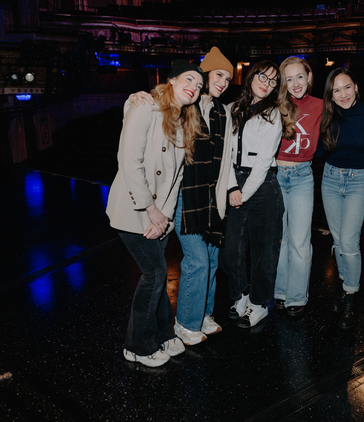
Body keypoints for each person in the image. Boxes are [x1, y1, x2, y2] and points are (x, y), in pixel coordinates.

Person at [129, 47, 235, 346]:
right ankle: (185, 323)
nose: (223, 82)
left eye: (228, 77)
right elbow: (154, 105)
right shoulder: (188, 104)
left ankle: (202, 314)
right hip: (186, 198)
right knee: (198, 261)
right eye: (217, 75)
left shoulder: (223, 112)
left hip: (212, 199)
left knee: (212, 261)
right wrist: (133, 97)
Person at [106, 60, 204, 367]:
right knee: (155, 273)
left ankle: (163, 334)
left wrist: (165, 218)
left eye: (199, 86)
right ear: (171, 80)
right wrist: (151, 211)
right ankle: (137, 345)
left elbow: (175, 180)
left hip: (159, 214)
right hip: (135, 209)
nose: (195, 87)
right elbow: (129, 161)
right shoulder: (145, 107)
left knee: (159, 271)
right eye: (190, 79)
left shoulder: (182, 119)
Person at [222, 61, 287, 329]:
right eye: (263, 76)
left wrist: (243, 192)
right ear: (251, 76)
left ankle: (259, 304)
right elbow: (224, 153)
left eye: (273, 81)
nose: (266, 83)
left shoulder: (273, 114)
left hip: (262, 185)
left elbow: (263, 161)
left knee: (264, 251)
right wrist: (230, 187)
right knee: (231, 251)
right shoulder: (231, 108)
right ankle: (240, 296)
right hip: (234, 182)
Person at [318, 67, 364, 330]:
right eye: (336, 90)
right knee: (339, 240)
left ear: (356, 87)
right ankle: (344, 285)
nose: (342, 94)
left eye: (347, 87)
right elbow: (316, 149)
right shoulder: (327, 115)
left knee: (349, 242)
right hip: (329, 179)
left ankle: (351, 294)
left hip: (359, 181)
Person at [274, 56, 323, 317]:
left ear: (309, 77)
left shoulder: (321, 106)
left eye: (300, 77)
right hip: (275, 175)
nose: (295, 83)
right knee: (280, 239)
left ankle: (296, 296)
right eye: (288, 78)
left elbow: (353, 111)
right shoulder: (275, 105)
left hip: (302, 175)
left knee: (300, 240)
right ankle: (280, 291)